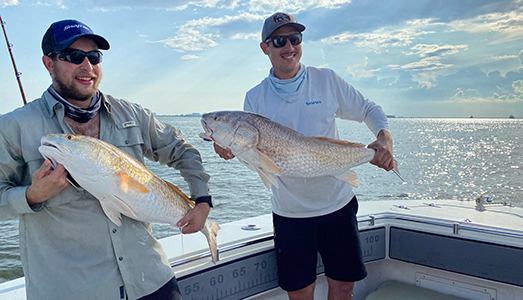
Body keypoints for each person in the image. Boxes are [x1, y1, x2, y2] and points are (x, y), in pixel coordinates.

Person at [0, 19, 214, 300]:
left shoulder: (133, 114)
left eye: (94, 57)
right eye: (74, 56)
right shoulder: (14, 126)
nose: (87, 66)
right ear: (48, 63)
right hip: (72, 289)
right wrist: (31, 195)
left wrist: (202, 200)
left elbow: (181, 150)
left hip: (149, 277)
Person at [214, 12, 395, 300]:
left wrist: (384, 137)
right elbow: (258, 157)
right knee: (299, 292)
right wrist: (231, 149)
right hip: (290, 213)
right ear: (265, 47)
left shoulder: (327, 80)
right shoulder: (255, 97)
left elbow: (370, 110)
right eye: (279, 41)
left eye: (295, 39)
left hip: (338, 204)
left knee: (344, 286)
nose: (289, 47)